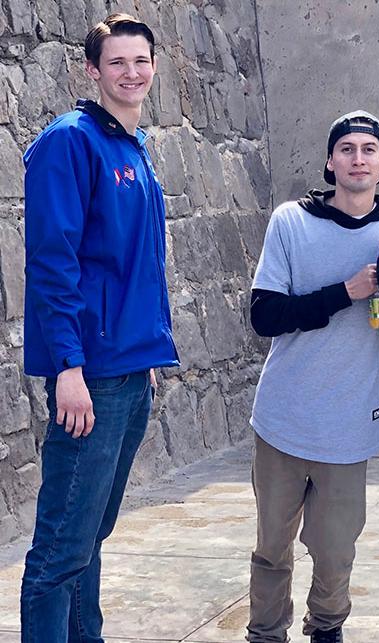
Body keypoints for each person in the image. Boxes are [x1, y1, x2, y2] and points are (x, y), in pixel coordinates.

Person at [19, 13, 179, 642]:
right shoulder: (71, 141)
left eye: (140, 61)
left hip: (130, 370)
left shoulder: (133, 148)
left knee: (88, 538)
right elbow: (52, 263)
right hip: (90, 374)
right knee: (61, 549)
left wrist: (150, 360)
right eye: (116, 62)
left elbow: (140, 269)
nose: (130, 73)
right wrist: (67, 368)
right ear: (91, 69)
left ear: (154, 68)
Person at [245, 110, 379, 643]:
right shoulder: (290, 222)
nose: (357, 158)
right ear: (329, 161)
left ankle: (327, 628)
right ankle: (266, 633)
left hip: (350, 420)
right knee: (273, 543)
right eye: (347, 149)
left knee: (336, 547)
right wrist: (345, 292)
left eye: (369, 149)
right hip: (283, 415)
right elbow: (264, 315)